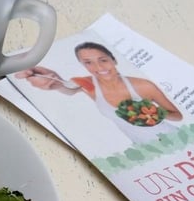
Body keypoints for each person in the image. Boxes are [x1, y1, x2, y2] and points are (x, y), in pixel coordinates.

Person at [16, 41, 183, 144]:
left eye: (103, 60)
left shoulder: (143, 86)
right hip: (143, 146)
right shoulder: (88, 84)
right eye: (88, 63)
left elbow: (177, 115)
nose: (98, 68)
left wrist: (152, 113)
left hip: (174, 139)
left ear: (114, 60)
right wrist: (52, 81)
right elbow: (67, 88)